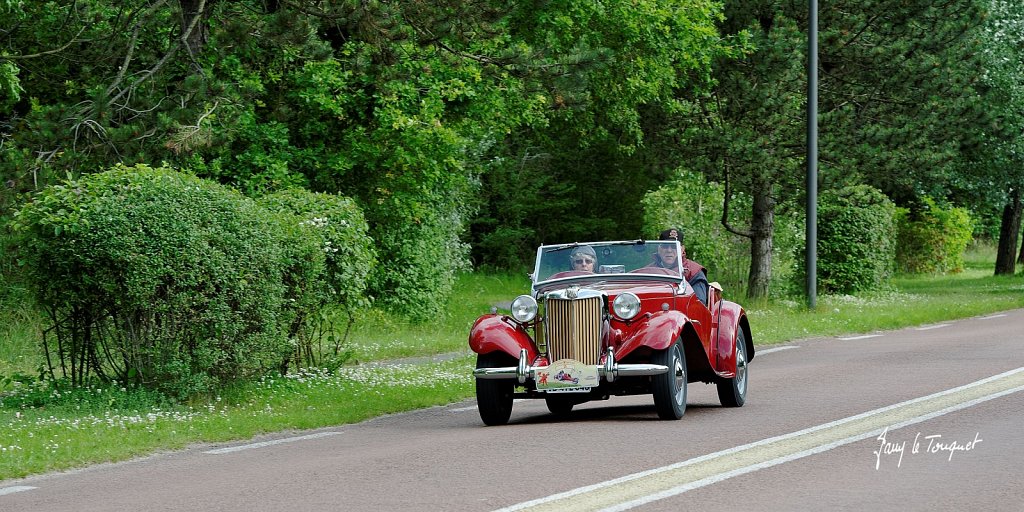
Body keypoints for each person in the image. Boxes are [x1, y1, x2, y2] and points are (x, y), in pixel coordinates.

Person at [658, 228, 709, 304]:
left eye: (674, 247)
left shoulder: (694, 272)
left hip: (681, 314)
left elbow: (699, 304)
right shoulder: (648, 270)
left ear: (682, 249)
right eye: (665, 246)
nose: (669, 250)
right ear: (659, 249)